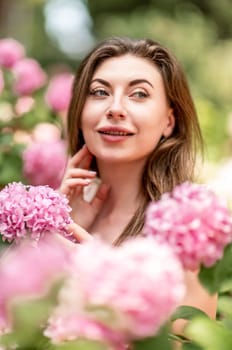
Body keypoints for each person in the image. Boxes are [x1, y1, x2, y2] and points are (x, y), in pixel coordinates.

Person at [59, 37, 217, 337]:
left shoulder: (185, 235)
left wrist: (105, 279)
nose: (115, 108)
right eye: (100, 92)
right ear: (80, 114)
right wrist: (61, 225)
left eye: (139, 94)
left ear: (169, 122)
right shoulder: (68, 218)